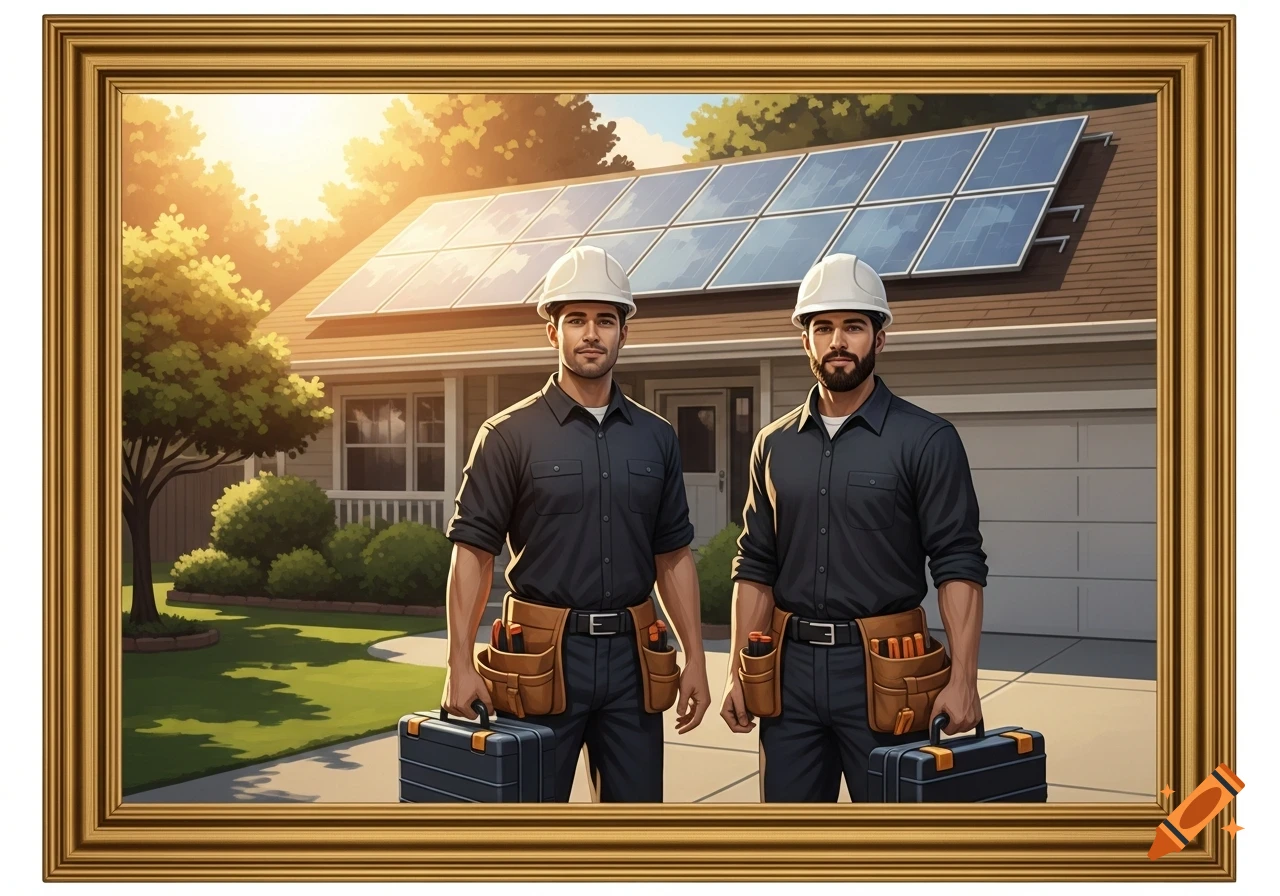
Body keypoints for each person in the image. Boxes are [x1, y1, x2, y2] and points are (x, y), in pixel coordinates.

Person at [440, 245, 711, 802]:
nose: (592, 333)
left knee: (634, 842)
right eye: (577, 320)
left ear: (623, 333)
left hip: (635, 661)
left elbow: (673, 555)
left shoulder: (656, 437)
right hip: (537, 658)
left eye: (605, 320)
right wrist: (458, 664)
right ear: (553, 333)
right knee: (531, 841)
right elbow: (474, 554)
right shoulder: (507, 435)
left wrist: (697, 661)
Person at [718, 253, 989, 802]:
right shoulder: (773, 445)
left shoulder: (927, 440)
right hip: (789, 678)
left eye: (854, 326)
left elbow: (958, 563)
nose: (838, 340)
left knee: (894, 856)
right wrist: (738, 671)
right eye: (823, 327)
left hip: (892, 675)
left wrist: (963, 679)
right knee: (788, 857)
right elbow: (755, 565)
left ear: (880, 338)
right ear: (806, 340)